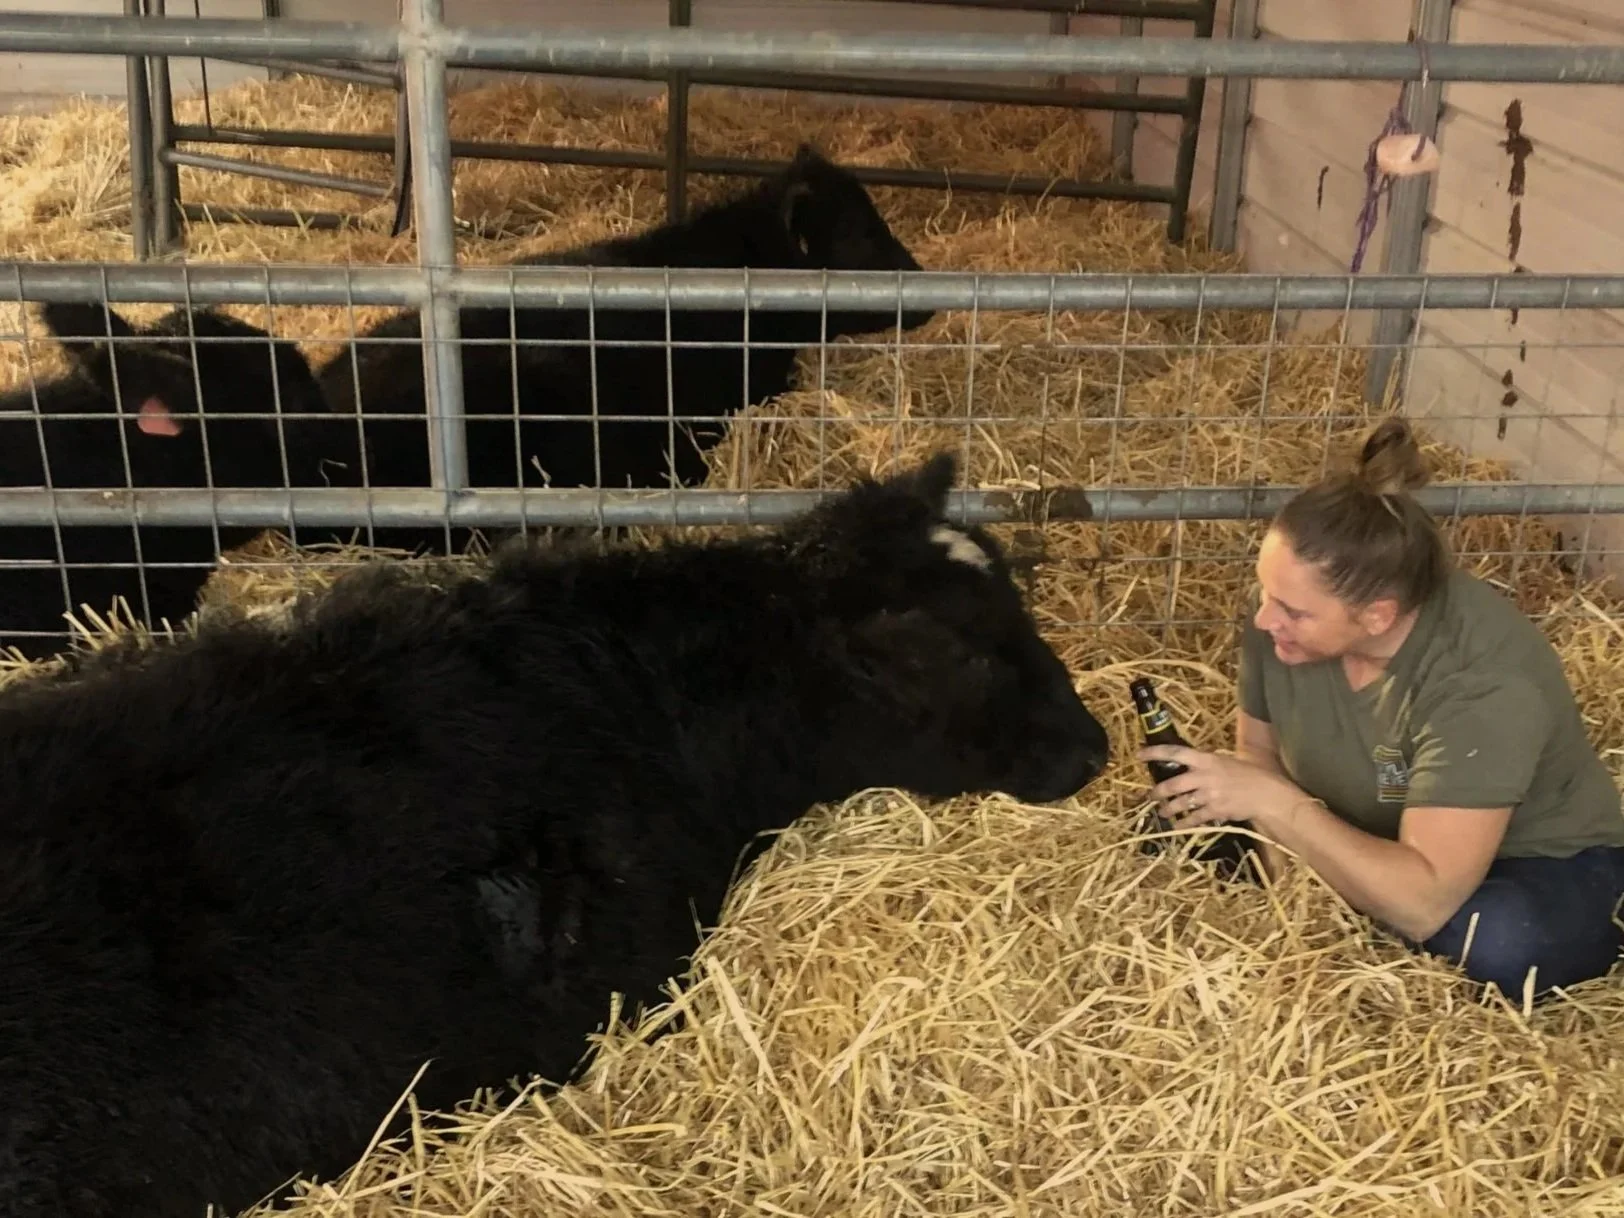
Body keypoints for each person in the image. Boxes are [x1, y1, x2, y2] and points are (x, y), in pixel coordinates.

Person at [1139, 416, 1624, 1002]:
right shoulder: (1280, 623)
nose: (1267, 620)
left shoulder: (1482, 684)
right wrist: (1286, 882)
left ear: (1377, 616)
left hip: (1531, 860)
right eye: (1266, 593)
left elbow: (1423, 903)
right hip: (1370, 824)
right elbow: (1258, 753)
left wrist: (1275, 809)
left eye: (1292, 610)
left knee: (1498, 943)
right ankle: (1364, 892)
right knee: (1163, 829)